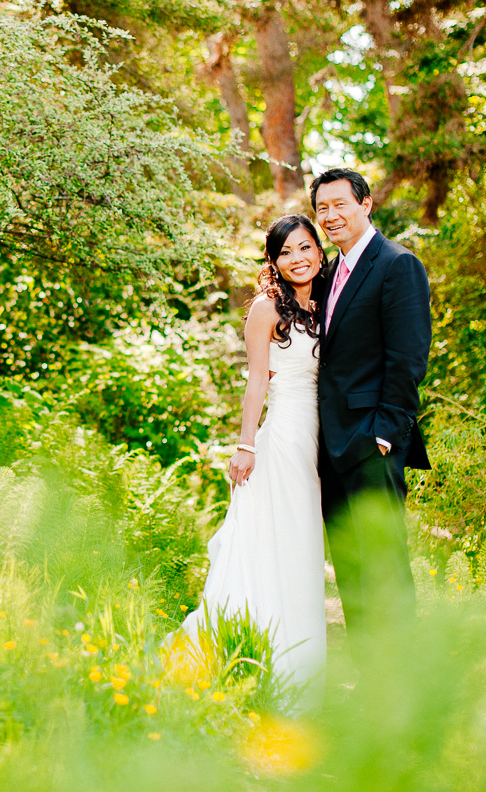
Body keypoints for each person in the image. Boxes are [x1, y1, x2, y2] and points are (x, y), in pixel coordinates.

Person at [180, 214, 328, 713]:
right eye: (286, 252)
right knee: (275, 542)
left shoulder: (328, 300)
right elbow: (257, 383)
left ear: (319, 250)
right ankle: (257, 661)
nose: (298, 258)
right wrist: (247, 445)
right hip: (283, 437)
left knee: (304, 546)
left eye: (305, 247)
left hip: (318, 437)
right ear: (274, 260)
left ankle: (301, 665)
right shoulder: (267, 308)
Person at [310, 167, 431, 666]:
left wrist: (384, 434)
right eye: (322, 208)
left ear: (366, 204)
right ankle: (370, 681)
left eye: (340, 204)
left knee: (384, 565)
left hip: (371, 442)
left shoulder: (397, 265)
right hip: (329, 447)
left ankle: (405, 683)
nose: (331, 215)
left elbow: (407, 359)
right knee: (352, 568)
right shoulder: (328, 274)